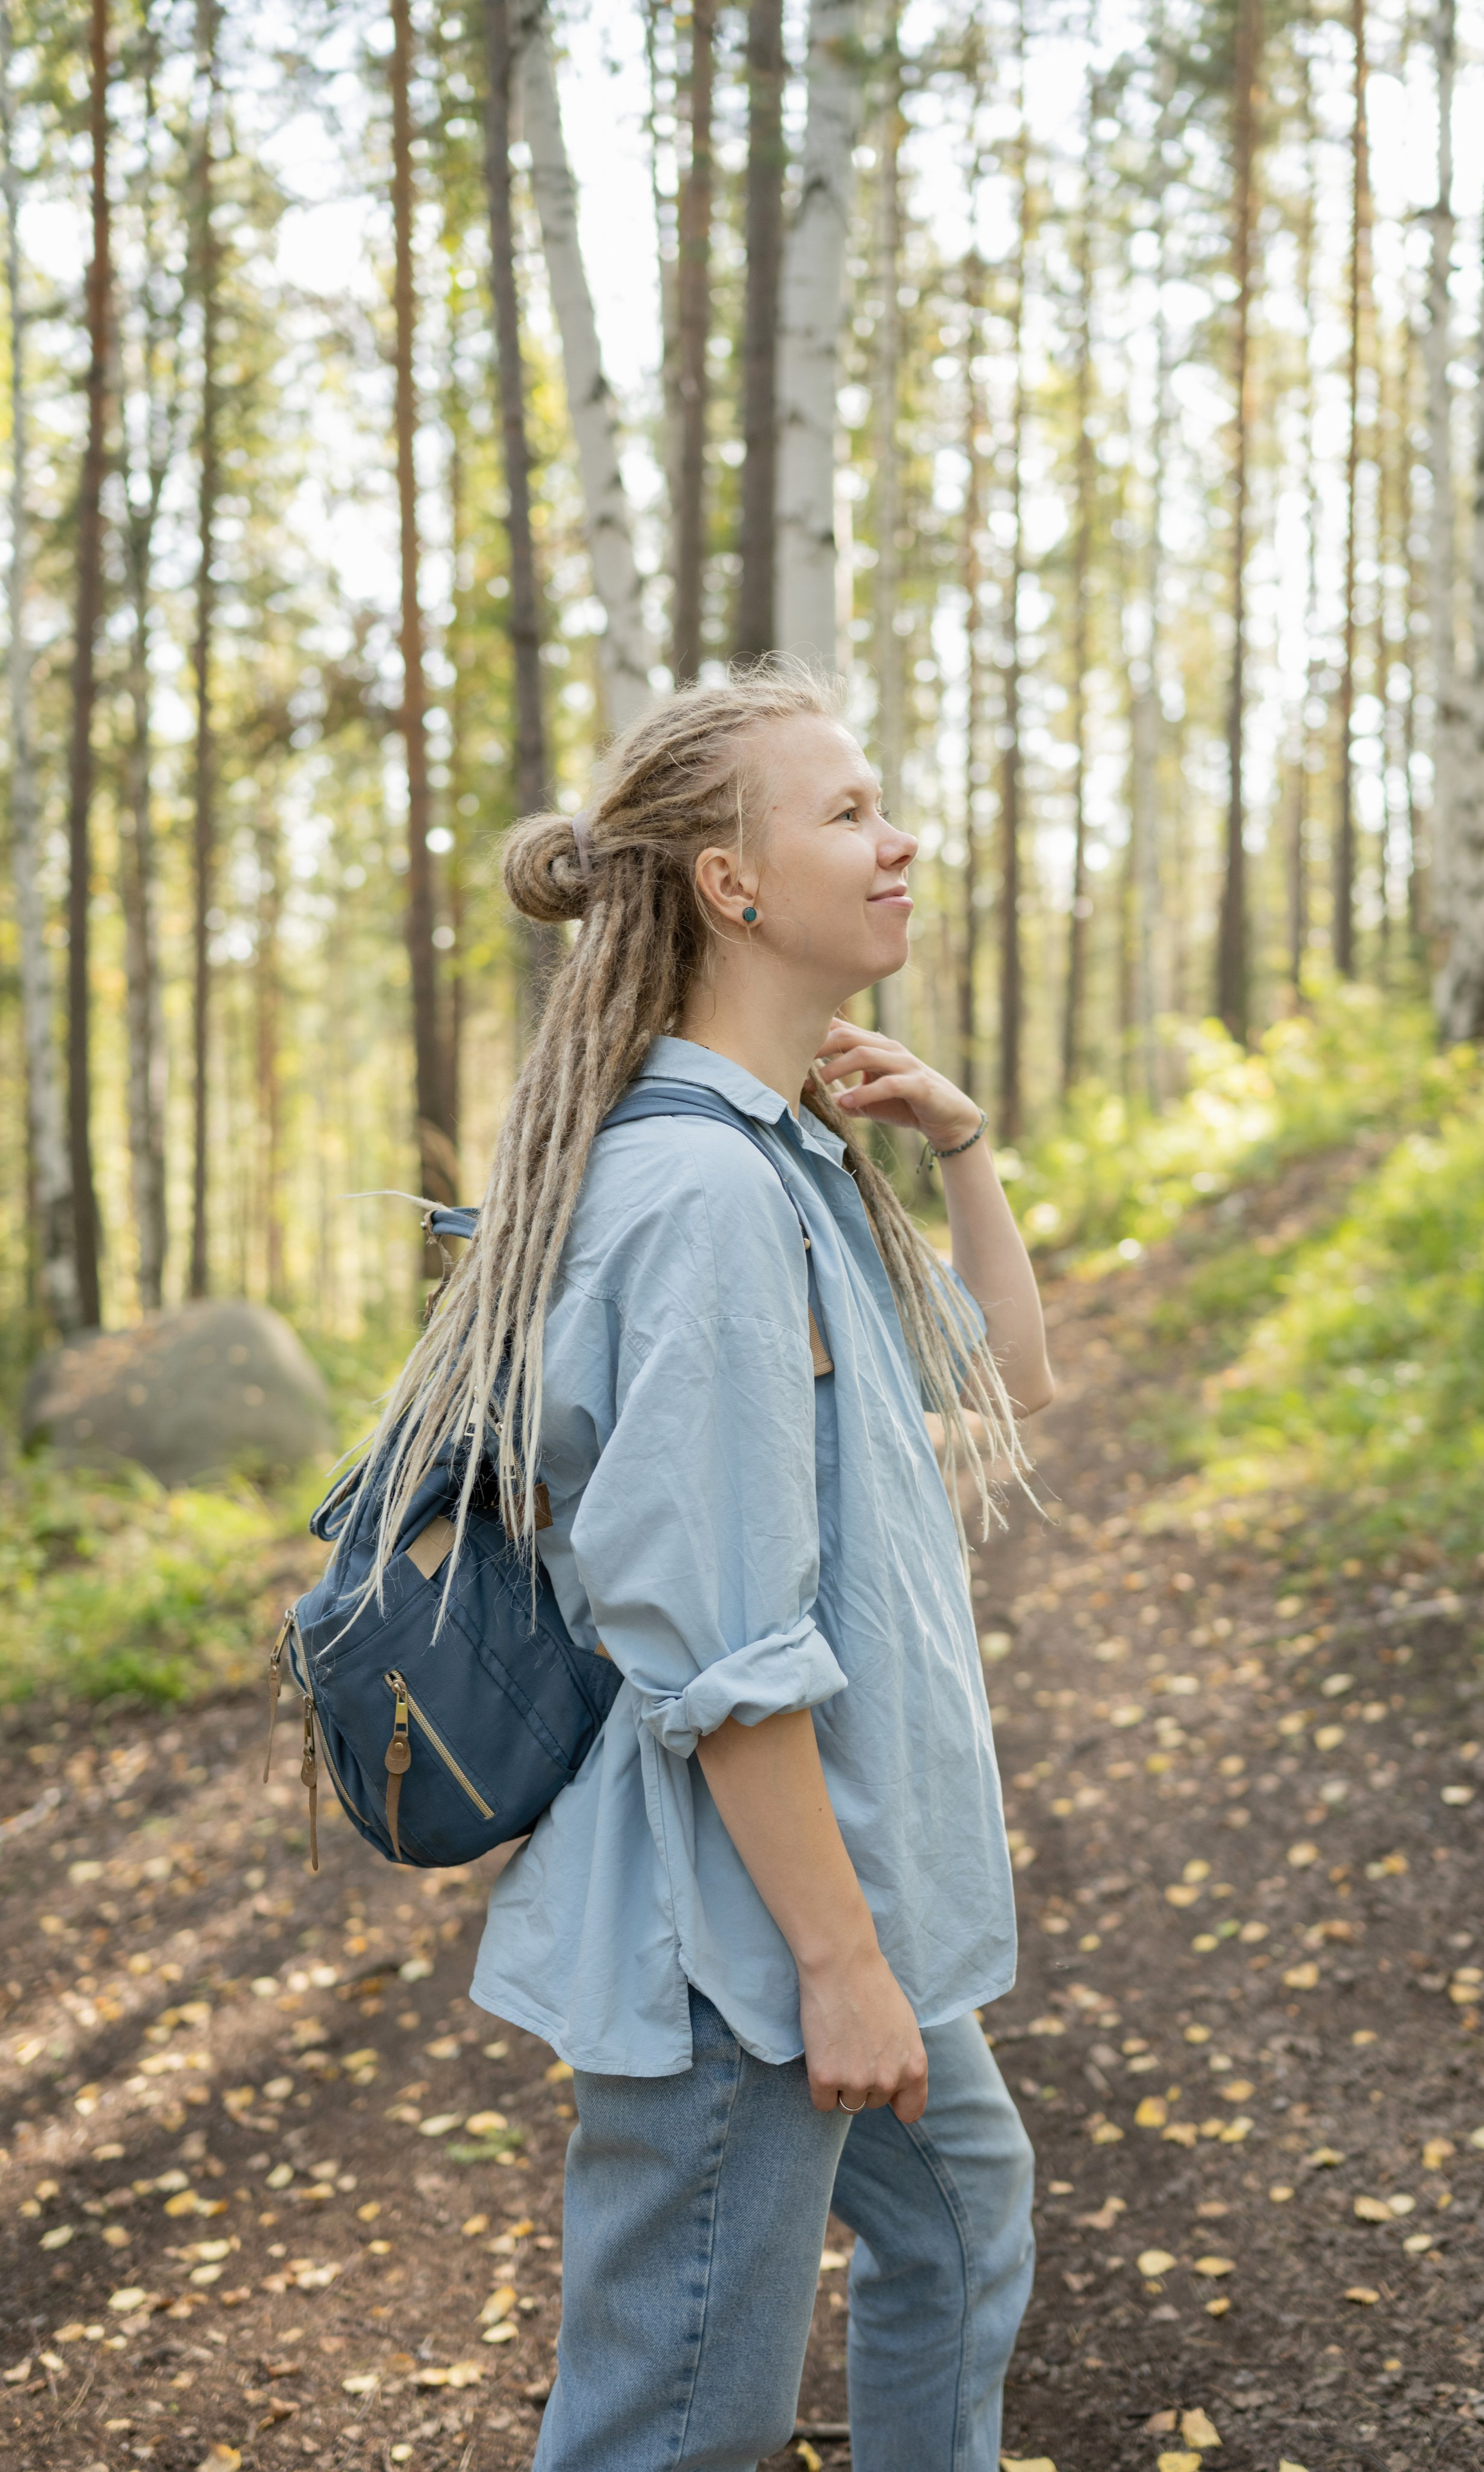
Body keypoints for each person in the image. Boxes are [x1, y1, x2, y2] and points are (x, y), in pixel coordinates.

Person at [376, 665, 1054, 2472]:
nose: (899, 839)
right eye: (848, 812)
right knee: (675, 2421)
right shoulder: (701, 1203)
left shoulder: (790, 1161)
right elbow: (718, 1638)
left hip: (832, 1889)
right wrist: (842, 1969)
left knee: (961, 2217)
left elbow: (1014, 1379)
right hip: (739, 1937)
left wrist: (961, 1144)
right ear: (730, 885)